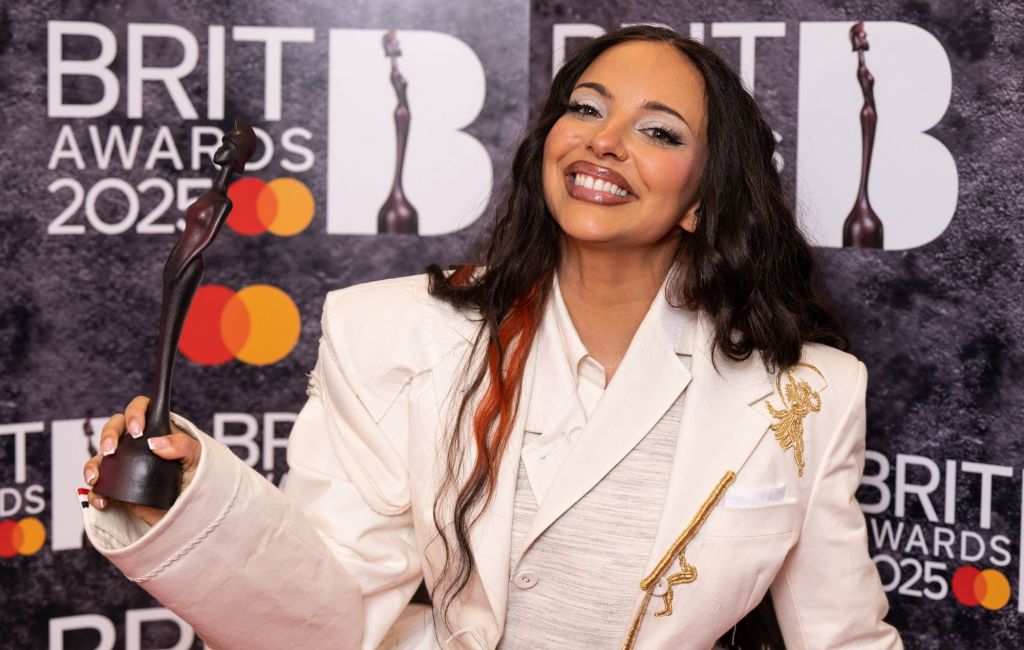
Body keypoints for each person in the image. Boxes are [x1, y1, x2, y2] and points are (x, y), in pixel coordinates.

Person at [82, 26, 903, 650]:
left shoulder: (811, 394)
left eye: (659, 131)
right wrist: (188, 502)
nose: (604, 140)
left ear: (702, 201)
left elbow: (845, 637)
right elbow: (327, 615)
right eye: (585, 108)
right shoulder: (389, 334)